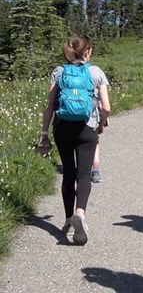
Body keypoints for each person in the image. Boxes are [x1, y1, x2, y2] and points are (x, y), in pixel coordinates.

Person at [39, 35, 110, 245]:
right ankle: (81, 213)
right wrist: (102, 123)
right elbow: (106, 107)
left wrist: (43, 134)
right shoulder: (95, 72)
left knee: (68, 172)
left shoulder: (58, 72)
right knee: (85, 173)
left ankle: (69, 221)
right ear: (87, 52)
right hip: (87, 127)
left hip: (62, 128)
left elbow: (50, 105)